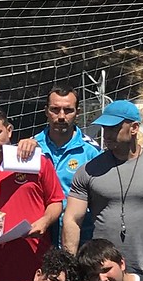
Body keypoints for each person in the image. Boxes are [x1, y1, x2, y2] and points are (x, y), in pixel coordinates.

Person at [60, 100, 143, 281]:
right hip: (100, 274)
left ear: (134, 128)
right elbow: (72, 220)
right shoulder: (88, 171)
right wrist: (70, 270)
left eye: (114, 128)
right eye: (105, 128)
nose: (107, 134)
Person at [0, 106, 67, 281]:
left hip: (38, 261)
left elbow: (56, 201)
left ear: (9, 130)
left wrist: (44, 222)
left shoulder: (36, 160)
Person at [33, 84, 101, 231]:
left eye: (68, 110)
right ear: (46, 111)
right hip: (40, 236)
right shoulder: (31, 148)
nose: (62, 116)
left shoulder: (91, 152)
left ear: (78, 112)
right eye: (55, 110)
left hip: (81, 235)